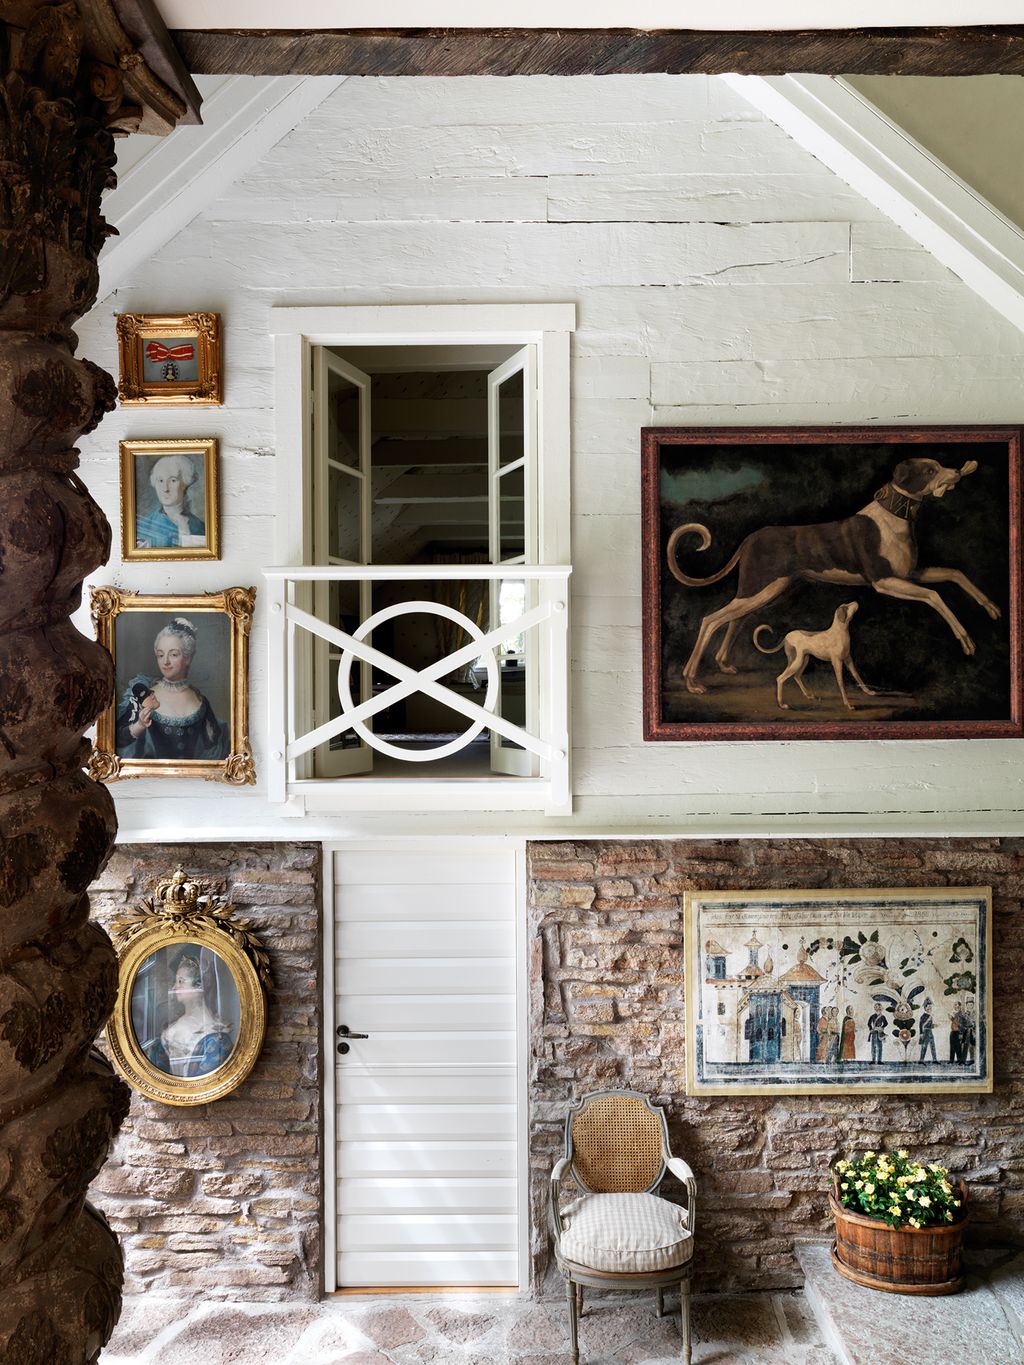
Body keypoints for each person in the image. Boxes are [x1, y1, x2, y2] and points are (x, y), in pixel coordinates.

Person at [115, 616, 228, 760]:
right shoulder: (143, 695)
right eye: (160, 655)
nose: (166, 661)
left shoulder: (200, 701)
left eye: (173, 654)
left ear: (187, 658)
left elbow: (214, 749)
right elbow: (118, 739)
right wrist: (139, 725)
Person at [142, 954, 233, 1077]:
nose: (174, 987)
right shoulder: (172, 1027)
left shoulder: (215, 1035)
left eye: (181, 981)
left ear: (200, 985)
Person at [136, 453, 206, 549]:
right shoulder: (143, 528)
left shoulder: (200, 527)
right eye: (161, 481)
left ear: (184, 483)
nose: (165, 488)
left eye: (173, 480)